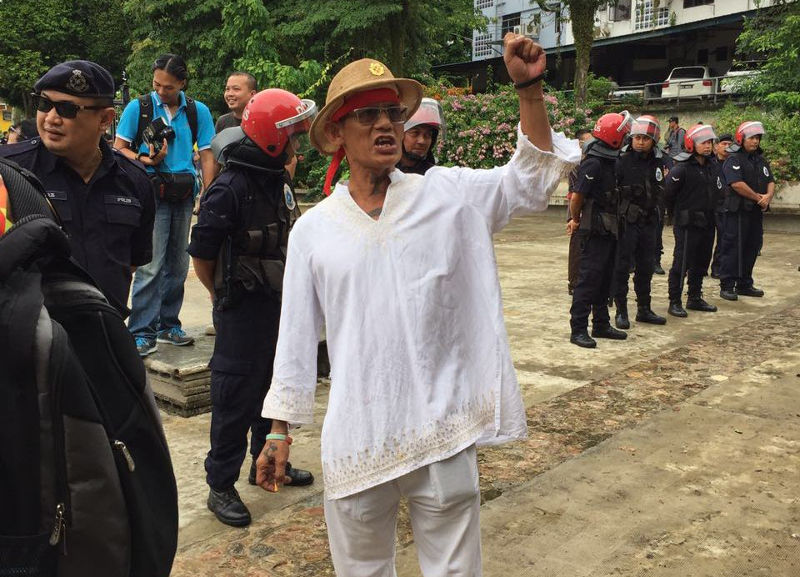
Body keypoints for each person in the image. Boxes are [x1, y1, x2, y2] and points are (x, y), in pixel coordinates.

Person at [255, 38, 580, 575]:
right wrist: (278, 430)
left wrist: (529, 89)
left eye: (392, 113)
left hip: (442, 431)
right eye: (366, 115)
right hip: (359, 435)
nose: (386, 125)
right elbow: (294, 336)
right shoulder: (313, 230)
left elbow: (529, 180)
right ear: (335, 133)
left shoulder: (446, 196)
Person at [189, 89, 316, 528]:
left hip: (275, 306)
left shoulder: (275, 179)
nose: (297, 146)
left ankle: (266, 461)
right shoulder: (230, 188)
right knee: (234, 398)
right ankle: (219, 486)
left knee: (270, 386)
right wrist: (220, 294)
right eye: (293, 137)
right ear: (271, 138)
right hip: (240, 310)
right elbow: (202, 255)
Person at [0, 60, 155, 316]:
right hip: (28, 339)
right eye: (44, 104)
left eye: (66, 109)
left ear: (104, 119)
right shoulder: (8, 171)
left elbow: (131, 261)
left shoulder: (134, 181)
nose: (51, 118)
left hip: (104, 334)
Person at [114, 54, 216, 356]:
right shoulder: (139, 108)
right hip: (151, 193)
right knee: (151, 264)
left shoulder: (197, 111)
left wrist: (208, 193)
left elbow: (208, 155)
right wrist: (147, 159)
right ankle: (140, 331)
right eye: (156, 84)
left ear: (182, 84)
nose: (161, 91)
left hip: (184, 194)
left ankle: (169, 324)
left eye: (168, 87)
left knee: (178, 263)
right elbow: (119, 150)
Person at [568, 111, 632, 348]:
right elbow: (577, 197)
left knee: (607, 276)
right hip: (594, 229)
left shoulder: (612, 162)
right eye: (623, 135)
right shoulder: (593, 163)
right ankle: (578, 328)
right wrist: (575, 221)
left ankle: (601, 323)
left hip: (611, 228)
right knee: (589, 278)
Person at [612, 115, 668, 329]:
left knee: (646, 267)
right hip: (627, 222)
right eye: (637, 137)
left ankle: (644, 309)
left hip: (649, 222)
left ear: (653, 140)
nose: (640, 141)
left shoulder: (658, 161)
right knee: (622, 267)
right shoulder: (622, 160)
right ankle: (621, 311)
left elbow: (660, 189)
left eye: (645, 138)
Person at [664, 124, 721, 317]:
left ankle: (695, 296)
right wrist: (677, 215)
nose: (708, 146)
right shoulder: (682, 169)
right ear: (691, 144)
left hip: (707, 222)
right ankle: (675, 300)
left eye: (710, 142)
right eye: (703, 142)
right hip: (687, 224)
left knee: (702, 261)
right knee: (682, 262)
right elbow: (668, 195)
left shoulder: (713, 166)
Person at [718, 121, 773, 300]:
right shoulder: (733, 158)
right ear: (742, 139)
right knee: (732, 247)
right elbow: (737, 184)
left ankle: (744, 283)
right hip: (737, 212)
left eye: (757, 138)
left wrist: (768, 197)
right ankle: (727, 285)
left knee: (752, 246)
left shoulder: (760, 159)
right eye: (752, 138)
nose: (755, 141)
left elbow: (770, 180)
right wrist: (759, 198)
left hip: (755, 212)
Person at [566, 128, 593, 294]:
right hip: (577, 208)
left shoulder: (591, 161)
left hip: (589, 208)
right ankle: (574, 283)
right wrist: (573, 218)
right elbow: (576, 194)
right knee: (577, 246)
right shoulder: (576, 163)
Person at [396, 97, 445, 175]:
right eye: (415, 133)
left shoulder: (433, 176)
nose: (422, 141)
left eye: (428, 135)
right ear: (400, 135)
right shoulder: (384, 173)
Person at [710, 132, 733, 278]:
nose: (726, 147)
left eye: (729, 145)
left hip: (725, 206)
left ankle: (717, 267)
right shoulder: (709, 164)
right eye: (723, 144)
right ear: (716, 147)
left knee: (724, 238)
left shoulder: (733, 163)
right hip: (709, 205)